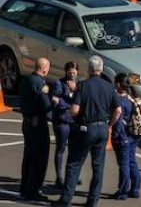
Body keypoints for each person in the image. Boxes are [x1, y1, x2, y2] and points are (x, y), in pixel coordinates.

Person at [54, 55, 121, 207]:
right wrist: (109, 124)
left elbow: (75, 110)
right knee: (98, 165)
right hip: (103, 128)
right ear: (101, 69)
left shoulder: (83, 86)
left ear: (89, 69)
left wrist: (71, 117)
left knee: (74, 163)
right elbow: (118, 110)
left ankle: (66, 200)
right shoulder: (109, 86)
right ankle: (92, 200)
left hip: (86, 128)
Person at [19, 57, 52, 202]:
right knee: (39, 159)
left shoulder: (26, 80)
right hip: (38, 125)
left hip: (26, 122)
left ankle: (25, 187)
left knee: (28, 156)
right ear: (45, 69)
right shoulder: (41, 84)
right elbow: (46, 106)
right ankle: (34, 190)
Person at [110, 74, 141, 201]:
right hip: (134, 134)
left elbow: (118, 123)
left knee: (123, 164)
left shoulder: (120, 102)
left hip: (123, 136)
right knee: (131, 161)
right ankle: (135, 189)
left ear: (118, 84)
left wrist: (115, 134)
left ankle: (122, 192)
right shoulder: (132, 98)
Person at [51, 61, 80, 190]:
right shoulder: (59, 83)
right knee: (61, 149)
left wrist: (75, 90)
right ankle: (58, 177)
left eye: (74, 73)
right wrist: (72, 106)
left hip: (74, 122)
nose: (72, 75)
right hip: (62, 121)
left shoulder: (79, 85)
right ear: (66, 71)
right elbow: (57, 101)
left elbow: (82, 100)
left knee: (74, 149)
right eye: (70, 73)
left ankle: (72, 175)